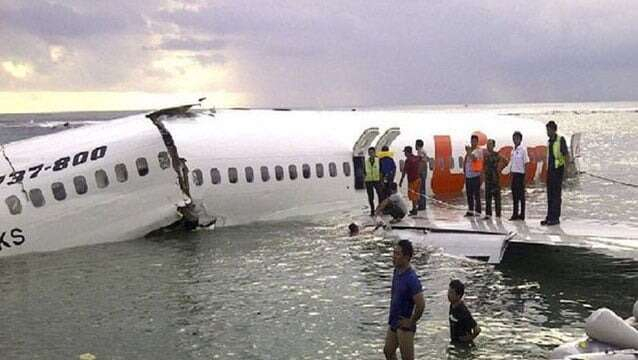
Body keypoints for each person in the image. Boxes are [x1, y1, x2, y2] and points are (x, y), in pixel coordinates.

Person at [384, 240, 425, 360]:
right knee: (388, 351)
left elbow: (421, 304)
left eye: (397, 254)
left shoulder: (412, 279)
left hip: (404, 325)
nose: (393, 257)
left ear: (406, 257)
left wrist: (412, 321)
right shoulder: (396, 271)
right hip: (394, 320)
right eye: (393, 253)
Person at [543, 121, 569, 226]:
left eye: (549, 130)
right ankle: (549, 216)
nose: (547, 132)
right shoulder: (549, 141)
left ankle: (555, 218)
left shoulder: (560, 140)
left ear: (554, 130)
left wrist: (566, 170)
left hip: (558, 170)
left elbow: (566, 155)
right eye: (547, 130)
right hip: (550, 170)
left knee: (556, 195)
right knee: (550, 195)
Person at [503, 131, 529, 221]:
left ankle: (522, 214)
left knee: (521, 196)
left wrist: (526, 177)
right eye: (514, 138)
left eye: (517, 138)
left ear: (520, 139)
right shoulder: (513, 150)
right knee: (514, 195)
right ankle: (515, 214)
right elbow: (511, 163)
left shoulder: (523, 150)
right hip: (514, 174)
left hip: (521, 174)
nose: (515, 140)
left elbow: (526, 163)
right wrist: (510, 174)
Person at [448, 279, 481, 344]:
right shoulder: (452, 305)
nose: (448, 295)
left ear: (458, 295)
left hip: (464, 346)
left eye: (451, 293)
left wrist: (467, 339)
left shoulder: (463, 311)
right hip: (454, 343)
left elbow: (477, 329)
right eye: (448, 292)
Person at [483, 139, 504, 219]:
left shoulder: (496, 155)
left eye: (490, 144)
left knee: (497, 199)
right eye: (487, 144)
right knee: (488, 199)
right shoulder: (486, 156)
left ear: (493, 146)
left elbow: (505, 161)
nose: (488, 146)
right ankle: (488, 215)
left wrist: (500, 168)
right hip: (488, 179)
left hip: (495, 179)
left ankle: (498, 215)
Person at [463, 135, 483, 217]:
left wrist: (468, 152)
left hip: (475, 176)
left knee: (476, 195)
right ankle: (470, 210)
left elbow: (474, 159)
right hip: (468, 176)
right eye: (472, 141)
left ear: (477, 142)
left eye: (474, 141)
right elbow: (466, 162)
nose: (473, 143)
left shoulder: (478, 150)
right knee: (469, 194)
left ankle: (478, 211)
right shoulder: (470, 151)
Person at [399, 146, 420, 216]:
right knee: (416, 195)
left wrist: (401, 181)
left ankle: (414, 210)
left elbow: (404, 171)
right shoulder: (416, 158)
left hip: (412, 180)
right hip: (418, 179)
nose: (404, 153)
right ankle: (415, 208)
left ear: (407, 152)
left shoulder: (408, 160)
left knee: (412, 195)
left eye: (405, 152)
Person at [364, 147, 382, 216]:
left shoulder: (378, 161)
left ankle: (380, 209)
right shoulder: (366, 162)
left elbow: (381, 170)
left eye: (372, 152)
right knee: (371, 197)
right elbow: (364, 171)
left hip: (377, 180)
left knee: (380, 194)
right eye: (369, 152)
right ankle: (372, 210)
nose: (371, 154)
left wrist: (381, 179)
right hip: (368, 180)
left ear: (374, 153)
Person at [415, 139, 429, 211]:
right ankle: (422, 205)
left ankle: (422, 205)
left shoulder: (420, 151)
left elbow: (422, 163)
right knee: (421, 189)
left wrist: (418, 172)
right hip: (423, 171)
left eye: (415, 144)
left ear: (417, 145)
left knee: (421, 189)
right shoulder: (422, 151)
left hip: (422, 172)